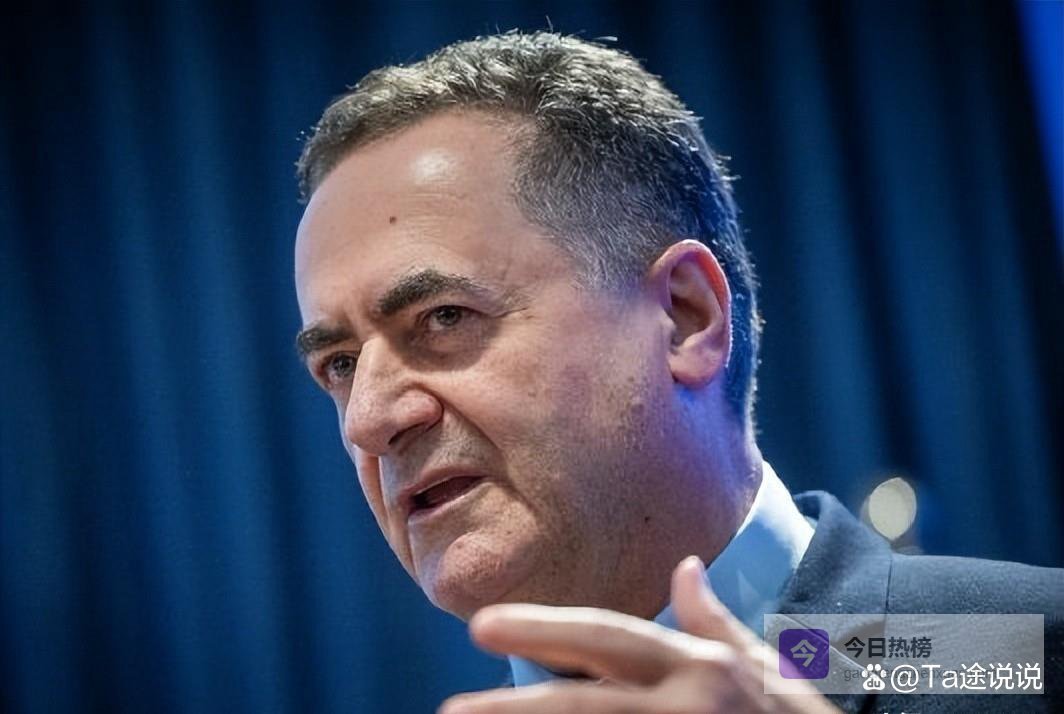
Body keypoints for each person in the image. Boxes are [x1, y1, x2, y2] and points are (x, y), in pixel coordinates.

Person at [292, 32, 1062, 713]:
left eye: (443, 318)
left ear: (686, 317)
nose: (369, 419)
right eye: (341, 364)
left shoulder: (1020, 652)